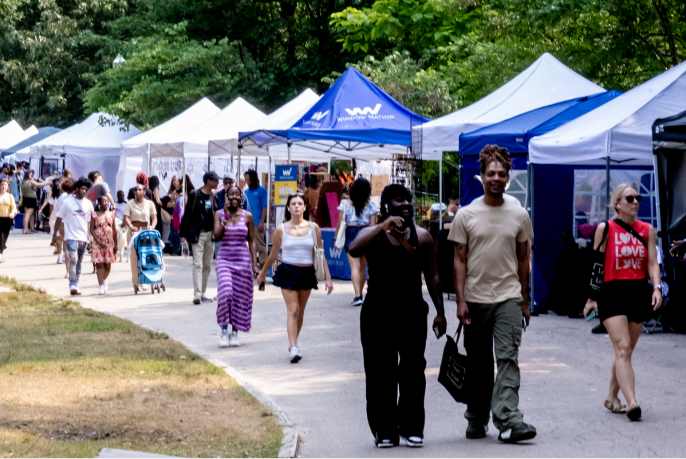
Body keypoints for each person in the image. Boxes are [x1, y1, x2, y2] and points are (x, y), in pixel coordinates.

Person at [348, 184, 447, 448]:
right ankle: (385, 429)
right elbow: (354, 249)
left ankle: (412, 427)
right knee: (381, 371)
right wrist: (382, 227)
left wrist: (440, 312)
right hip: (378, 312)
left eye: (408, 200)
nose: (405, 204)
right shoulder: (375, 234)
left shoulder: (422, 236)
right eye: (398, 200)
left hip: (412, 310)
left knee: (414, 369)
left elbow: (433, 274)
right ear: (386, 206)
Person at [450, 145, 536, 443]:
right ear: (481, 176)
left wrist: (524, 301)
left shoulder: (519, 214)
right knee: (479, 364)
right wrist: (460, 301)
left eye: (501, 174)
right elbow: (459, 260)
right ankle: (477, 416)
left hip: (508, 299)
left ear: (508, 178)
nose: (496, 178)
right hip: (474, 300)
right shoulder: (466, 214)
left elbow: (524, 259)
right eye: (491, 173)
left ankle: (510, 419)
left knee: (507, 358)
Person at [583, 184, 662, 421]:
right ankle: (632, 403)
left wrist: (656, 287)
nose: (636, 201)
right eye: (630, 198)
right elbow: (597, 264)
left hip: (638, 292)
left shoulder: (647, 230)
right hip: (612, 292)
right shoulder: (605, 229)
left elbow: (652, 263)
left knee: (624, 352)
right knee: (623, 348)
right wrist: (592, 297)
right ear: (617, 203)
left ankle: (611, 397)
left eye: (638, 197)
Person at [257, 192, 334, 363]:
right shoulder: (281, 229)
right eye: (293, 204)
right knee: (293, 309)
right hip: (288, 272)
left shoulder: (314, 228)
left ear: (305, 207)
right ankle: (293, 348)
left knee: (300, 312)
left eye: (300, 204)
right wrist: (262, 273)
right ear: (288, 208)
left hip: (307, 273)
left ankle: (294, 342)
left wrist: (328, 278)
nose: (297, 206)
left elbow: (321, 254)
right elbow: (272, 255)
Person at [214, 185, 257, 347]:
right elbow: (216, 236)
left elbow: (251, 241)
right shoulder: (219, 214)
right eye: (230, 194)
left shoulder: (248, 216)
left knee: (240, 297)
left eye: (236, 195)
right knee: (225, 293)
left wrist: (254, 264)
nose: (233, 197)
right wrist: (224, 218)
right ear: (226, 196)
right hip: (224, 259)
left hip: (243, 261)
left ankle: (235, 333)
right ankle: (224, 331)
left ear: (241, 197)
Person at [335, 178, 378, 306]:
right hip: (365, 234)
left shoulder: (345, 204)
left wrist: (336, 238)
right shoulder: (371, 206)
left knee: (354, 266)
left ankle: (357, 295)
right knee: (362, 267)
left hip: (351, 233)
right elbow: (373, 225)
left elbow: (340, 223)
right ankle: (361, 295)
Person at [180, 171, 220, 304]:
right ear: (208, 181)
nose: (217, 182)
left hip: (210, 235)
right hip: (197, 235)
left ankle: (203, 293)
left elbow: (219, 216)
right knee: (197, 264)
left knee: (207, 265)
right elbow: (186, 214)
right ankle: (197, 294)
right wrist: (183, 234)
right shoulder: (194, 194)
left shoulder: (214, 197)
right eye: (215, 180)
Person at [51, 177, 94, 295]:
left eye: (86, 189)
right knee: (73, 259)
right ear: (76, 189)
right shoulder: (67, 202)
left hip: (83, 237)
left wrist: (90, 237)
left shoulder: (89, 204)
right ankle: (72, 285)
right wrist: (55, 235)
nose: (84, 191)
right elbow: (59, 219)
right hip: (70, 236)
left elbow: (89, 222)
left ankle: (77, 283)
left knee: (79, 261)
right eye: (82, 189)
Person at [123, 183, 158, 293]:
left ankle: (147, 279)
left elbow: (154, 218)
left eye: (139, 190)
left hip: (146, 232)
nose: (137, 192)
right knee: (134, 257)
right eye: (135, 190)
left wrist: (152, 227)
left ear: (144, 192)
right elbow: (126, 218)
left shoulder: (150, 204)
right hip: (134, 232)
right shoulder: (130, 203)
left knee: (147, 255)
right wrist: (131, 226)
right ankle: (136, 282)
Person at [90, 194, 117, 295]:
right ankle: (101, 286)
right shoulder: (94, 214)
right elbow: (91, 229)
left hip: (109, 243)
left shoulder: (111, 214)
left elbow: (114, 230)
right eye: (104, 201)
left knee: (108, 264)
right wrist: (97, 241)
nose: (106, 203)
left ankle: (104, 279)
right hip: (98, 243)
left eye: (107, 201)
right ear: (99, 203)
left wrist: (116, 244)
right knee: (99, 264)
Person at [244, 170, 268, 267]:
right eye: (246, 180)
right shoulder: (246, 191)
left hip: (257, 222)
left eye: (248, 180)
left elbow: (264, 207)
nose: (247, 182)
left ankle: (264, 264)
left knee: (260, 245)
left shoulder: (262, 190)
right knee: (250, 244)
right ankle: (252, 264)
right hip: (247, 223)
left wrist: (262, 221)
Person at [53, 178, 75, 266]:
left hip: (62, 222)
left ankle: (61, 258)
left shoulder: (61, 198)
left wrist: (52, 222)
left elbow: (56, 211)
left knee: (63, 243)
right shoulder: (76, 199)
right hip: (73, 222)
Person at [21, 169, 50, 234]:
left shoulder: (23, 181)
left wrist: (36, 179)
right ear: (28, 174)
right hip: (31, 200)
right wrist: (48, 183)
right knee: (28, 215)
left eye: (33, 174)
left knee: (29, 215)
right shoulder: (30, 182)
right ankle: (26, 229)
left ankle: (31, 228)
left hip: (25, 199)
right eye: (31, 174)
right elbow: (39, 185)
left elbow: (40, 183)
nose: (32, 176)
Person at [0, 179, 18, 263]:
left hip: (7, 219)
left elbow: (14, 207)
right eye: (2, 185)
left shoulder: (10, 196)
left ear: (7, 187)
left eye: (5, 185)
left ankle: (1, 254)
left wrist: (12, 213)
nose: (3, 186)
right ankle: (0, 255)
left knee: (4, 237)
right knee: (0, 237)